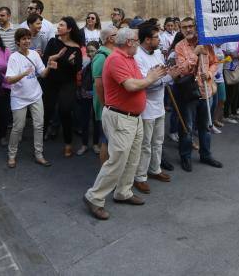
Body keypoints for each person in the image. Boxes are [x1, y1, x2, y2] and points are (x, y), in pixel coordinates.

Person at [83, 27, 167, 221]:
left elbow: (138, 81)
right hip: (121, 117)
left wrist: (149, 76)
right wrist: (150, 78)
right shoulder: (116, 59)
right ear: (129, 42)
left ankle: (123, 192)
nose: (139, 43)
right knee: (117, 160)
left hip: (133, 117)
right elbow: (130, 85)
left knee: (132, 158)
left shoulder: (129, 58)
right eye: (137, 40)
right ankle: (94, 197)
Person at [173, 17, 223, 171]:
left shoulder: (206, 43)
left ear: (195, 27)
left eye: (190, 26)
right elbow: (182, 70)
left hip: (206, 91)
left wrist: (209, 73)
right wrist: (195, 54)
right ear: (181, 29)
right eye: (184, 27)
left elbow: (215, 62)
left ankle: (206, 154)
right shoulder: (180, 47)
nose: (188, 29)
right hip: (189, 93)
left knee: (205, 126)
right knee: (187, 127)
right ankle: (185, 156)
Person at [5, 27, 55, 168]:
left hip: (35, 95)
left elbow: (42, 74)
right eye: (23, 39)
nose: (27, 41)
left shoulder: (34, 54)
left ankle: (39, 154)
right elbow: (9, 80)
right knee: (18, 128)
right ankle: (12, 155)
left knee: (39, 126)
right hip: (19, 97)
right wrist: (24, 73)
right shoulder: (14, 57)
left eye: (28, 38)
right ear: (18, 42)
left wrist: (49, 67)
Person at [132, 23, 173, 194]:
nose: (160, 40)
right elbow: (145, 84)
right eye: (157, 37)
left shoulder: (157, 53)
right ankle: (140, 176)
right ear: (147, 40)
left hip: (159, 104)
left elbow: (162, 75)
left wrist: (169, 75)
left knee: (158, 141)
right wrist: (167, 78)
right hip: (146, 107)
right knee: (145, 144)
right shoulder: (137, 56)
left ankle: (155, 169)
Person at [42, 17, 84, 157]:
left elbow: (77, 68)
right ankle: (39, 142)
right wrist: (58, 57)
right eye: (58, 25)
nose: (58, 27)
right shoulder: (53, 41)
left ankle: (68, 143)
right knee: (46, 111)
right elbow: (46, 60)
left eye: (61, 25)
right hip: (51, 82)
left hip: (68, 84)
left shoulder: (76, 47)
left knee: (65, 111)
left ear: (69, 29)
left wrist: (70, 63)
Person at [92, 25, 117, 163]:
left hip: (111, 103)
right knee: (106, 140)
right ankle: (104, 173)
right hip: (106, 105)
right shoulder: (101, 57)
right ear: (109, 39)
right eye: (116, 34)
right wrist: (105, 105)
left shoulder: (112, 53)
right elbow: (98, 84)